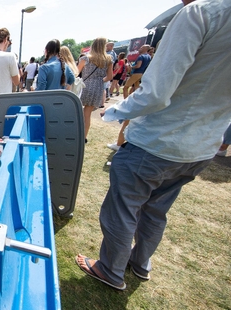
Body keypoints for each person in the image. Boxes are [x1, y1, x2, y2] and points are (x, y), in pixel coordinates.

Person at [76, 0, 231, 291]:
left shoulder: (199, 13)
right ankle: (140, 261)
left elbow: (156, 93)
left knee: (123, 208)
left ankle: (111, 269)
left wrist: (113, 112)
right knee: (157, 209)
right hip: (200, 147)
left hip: (158, 140)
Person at [77, 37, 113, 142]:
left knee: (77, 110)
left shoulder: (86, 58)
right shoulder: (108, 59)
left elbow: (76, 72)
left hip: (84, 85)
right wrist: (100, 80)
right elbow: (110, 76)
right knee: (87, 114)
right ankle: (83, 137)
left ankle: (75, 133)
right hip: (98, 87)